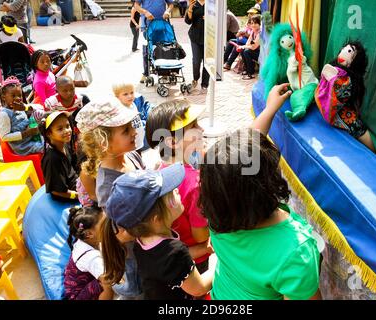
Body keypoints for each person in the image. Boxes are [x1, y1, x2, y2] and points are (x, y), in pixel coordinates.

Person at [198, 83, 321, 300]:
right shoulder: (294, 252)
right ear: (268, 181)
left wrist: (269, 109)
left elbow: (243, 164)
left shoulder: (219, 212)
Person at [103, 163, 215, 300]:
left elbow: (175, 260)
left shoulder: (142, 240)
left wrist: (204, 248)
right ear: (156, 219)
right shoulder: (173, 251)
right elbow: (199, 288)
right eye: (170, 193)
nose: (176, 190)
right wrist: (229, 265)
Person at [75, 99, 146, 299]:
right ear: (102, 141)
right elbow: (120, 233)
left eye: (131, 126)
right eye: (125, 130)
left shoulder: (131, 155)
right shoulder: (108, 185)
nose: (134, 132)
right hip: (136, 257)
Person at [145, 100, 213, 274]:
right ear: (173, 142)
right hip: (194, 259)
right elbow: (201, 236)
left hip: (173, 253)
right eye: (194, 126)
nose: (202, 129)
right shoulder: (194, 182)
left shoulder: (160, 169)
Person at [64, 206, 113, 300]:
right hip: (78, 296)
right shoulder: (92, 258)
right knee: (108, 281)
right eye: (104, 224)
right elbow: (107, 285)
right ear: (89, 234)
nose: (109, 225)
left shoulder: (85, 240)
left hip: (78, 284)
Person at [0, 76, 44, 155]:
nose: (18, 98)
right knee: (47, 148)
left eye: (20, 95)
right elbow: (4, 137)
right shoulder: (4, 114)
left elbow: (41, 108)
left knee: (39, 113)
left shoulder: (21, 107)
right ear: (3, 97)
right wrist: (26, 133)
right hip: (23, 146)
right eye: (13, 96)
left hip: (32, 137)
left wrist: (25, 108)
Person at [40, 111, 78, 202]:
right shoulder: (52, 159)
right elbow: (56, 191)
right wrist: (78, 195)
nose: (67, 131)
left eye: (68, 126)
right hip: (67, 195)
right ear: (49, 133)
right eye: (60, 129)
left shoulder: (65, 145)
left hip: (76, 183)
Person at [133, 0, 174, 83]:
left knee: (164, 47)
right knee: (149, 47)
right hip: (147, 25)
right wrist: (145, 12)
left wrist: (167, 11)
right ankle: (146, 73)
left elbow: (171, 4)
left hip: (162, 24)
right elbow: (136, 6)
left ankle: (165, 72)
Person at [112, 81, 151, 150]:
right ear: (117, 97)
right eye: (125, 94)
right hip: (130, 145)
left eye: (132, 92)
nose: (130, 96)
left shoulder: (132, 104)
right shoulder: (121, 110)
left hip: (139, 140)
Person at [185, 0, 208, 93]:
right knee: (196, 60)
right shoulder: (193, 4)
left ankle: (205, 84)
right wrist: (189, 10)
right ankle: (195, 78)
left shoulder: (211, 4)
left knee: (207, 61)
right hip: (195, 36)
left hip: (208, 37)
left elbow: (219, 17)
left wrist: (210, 18)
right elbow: (188, 21)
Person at [239, 14, 261, 80]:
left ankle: (250, 73)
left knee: (247, 52)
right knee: (243, 50)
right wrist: (244, 46)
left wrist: (245, 46)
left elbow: (254, 47)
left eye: (256, 23)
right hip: (257, 51)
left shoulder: (261, 33)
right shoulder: (253, 31)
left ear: (259, 24)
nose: (253, 25)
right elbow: (248, 43)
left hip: (263, 54)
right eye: (252, 23)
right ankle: (247, 69)